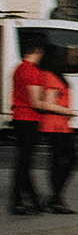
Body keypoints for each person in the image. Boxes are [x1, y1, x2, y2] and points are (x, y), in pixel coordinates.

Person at [28, 59, 78, 215]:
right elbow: (48, 104)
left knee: (61, 160)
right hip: (55, 125)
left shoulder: (50, 75)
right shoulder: (51, 77)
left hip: (60, 126)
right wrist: (68, 112)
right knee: (67, 159)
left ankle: (55, 197)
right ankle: (56, 198)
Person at [9, 37, 51, 215]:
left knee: (23, 161)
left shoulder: (18, 69)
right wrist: (51, 106)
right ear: (37, 52)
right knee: (24, 163)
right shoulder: (32, 71)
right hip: (29, 118)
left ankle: (30, 200)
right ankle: (19, 202)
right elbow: (35, 102)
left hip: (19, 117)